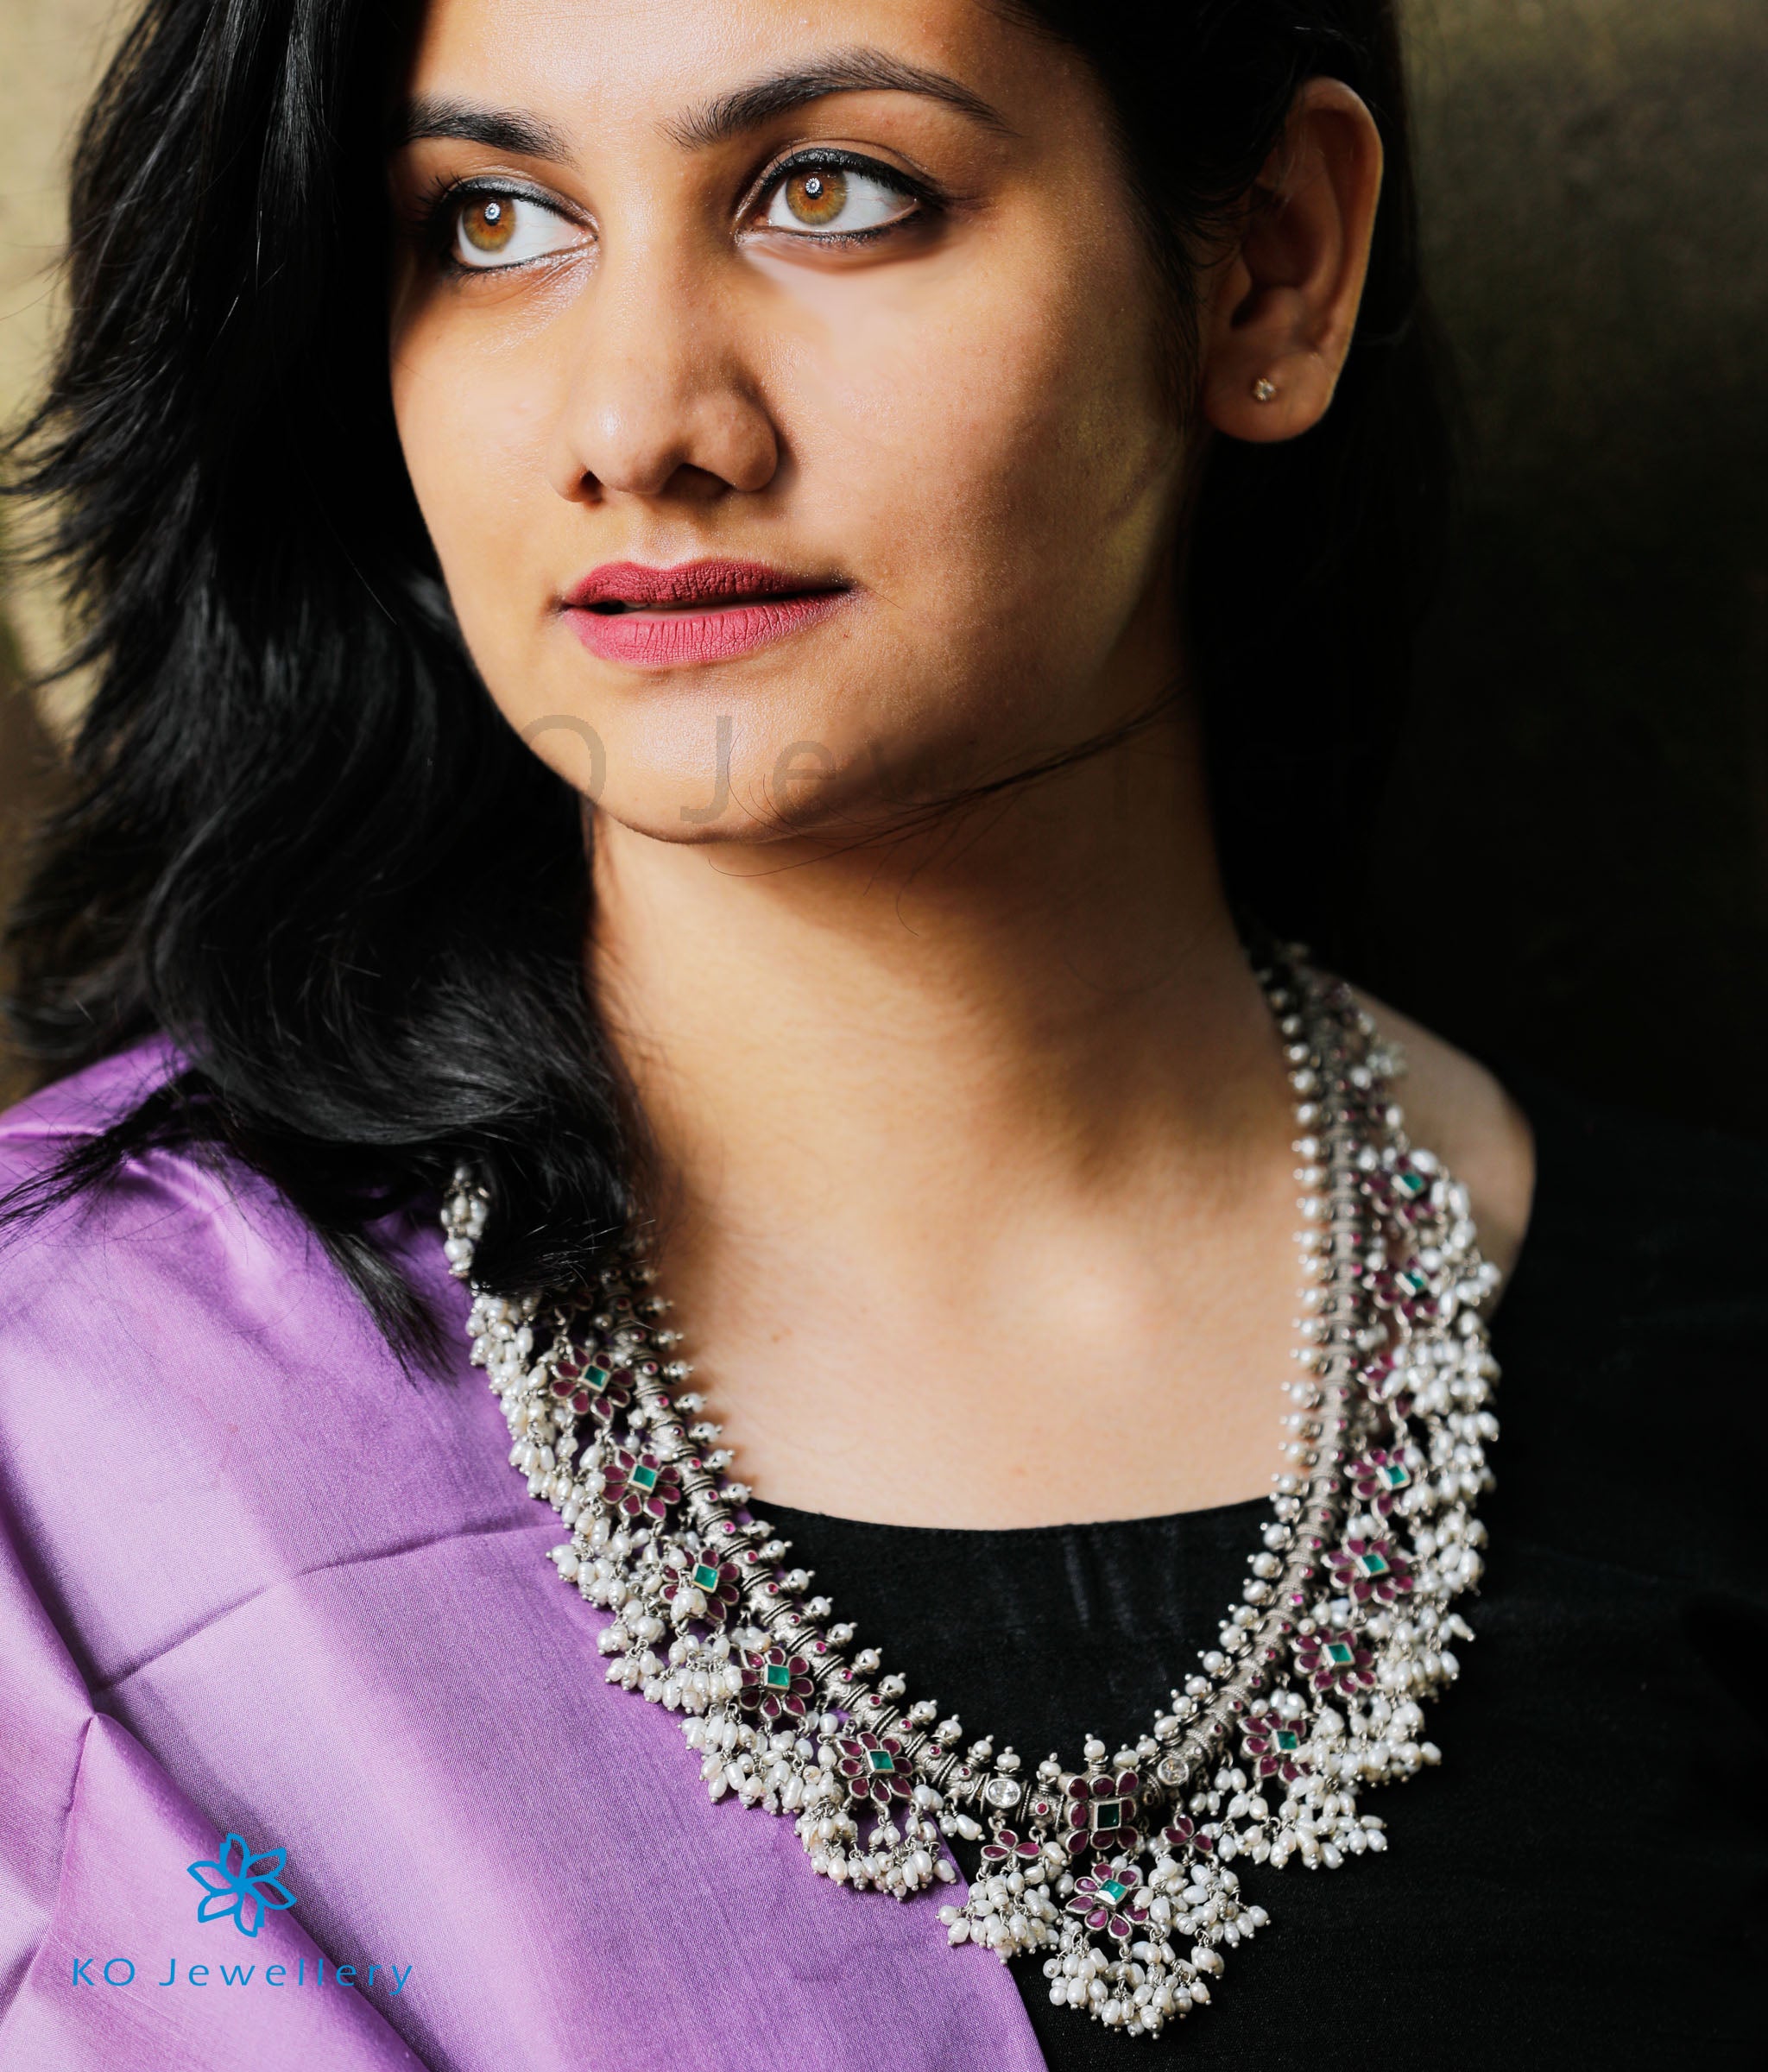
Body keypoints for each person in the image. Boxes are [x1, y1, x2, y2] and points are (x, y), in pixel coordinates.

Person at [0, 1, 1757, 2067]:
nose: (638, 423)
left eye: (831, 191)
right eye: (489, 221)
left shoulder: (1713, 1361)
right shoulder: (87, 1417)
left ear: (1272, 262)